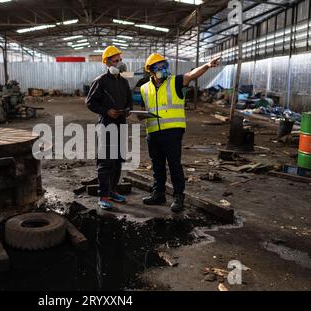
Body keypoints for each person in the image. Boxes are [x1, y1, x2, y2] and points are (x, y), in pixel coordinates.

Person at [140, 53, 220, 212]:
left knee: (174, 165)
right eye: (159, 67)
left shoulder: (175, 81)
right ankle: (159, 194)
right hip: (153, 132)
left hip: (172, 131)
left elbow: (191, 74)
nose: (163, 69)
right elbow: (145, 109)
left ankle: (178, 197)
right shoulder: (144, 88)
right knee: (157, 166)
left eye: (164, 66)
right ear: (150, 70)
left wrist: (207, 65)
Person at [86, 46, 133, 209]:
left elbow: (129, 101)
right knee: (106, 161)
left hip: (120, 124)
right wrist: (106, 111)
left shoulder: (124, 81)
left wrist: (127, 111)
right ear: (106, 62)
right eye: (115, 61)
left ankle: (112, 191)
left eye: (120, 60)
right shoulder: (100, 81)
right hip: (106, 125)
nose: (119, 63)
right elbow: (90, 103)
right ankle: (103, 195)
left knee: (118, 160)